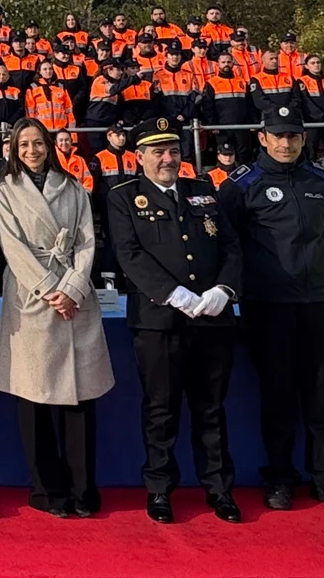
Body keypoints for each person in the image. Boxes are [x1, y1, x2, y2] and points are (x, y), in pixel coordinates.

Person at [217, 107, 324, 515]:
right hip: (269, 307)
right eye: (277, 135)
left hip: (319, 303)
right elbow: (229, 243)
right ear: (262, 137)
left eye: (293, 136)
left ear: (303, 138)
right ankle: (279, 477)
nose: (285, 143)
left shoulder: (321, 182)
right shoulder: (242, 186)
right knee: (277, 396)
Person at [109, 116, 244, 524]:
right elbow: (128, 253)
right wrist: (173, 294)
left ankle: (219, 489)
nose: (167, 159)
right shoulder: (123, 197)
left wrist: (224, 289)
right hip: (159, 322)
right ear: (140, 157)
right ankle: (159, 489)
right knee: (161, 409)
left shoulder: (203, 192)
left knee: (211, 409)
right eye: (157, 152)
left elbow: (232, 247)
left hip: (212, 318)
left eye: (172, 151)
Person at [0, 118, 115, 518]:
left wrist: (74, 288)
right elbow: (13, 246)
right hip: (33, 296)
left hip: (74, 296)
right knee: (35, 398)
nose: (31, 150)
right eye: (24, 144)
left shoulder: (74, 187)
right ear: (14, 149)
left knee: (81, 399)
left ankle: (84, 489)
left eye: (38, 143)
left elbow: (86, 239)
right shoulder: (4, 191)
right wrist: (50, 290)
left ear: (50, 145)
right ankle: (48, 490)